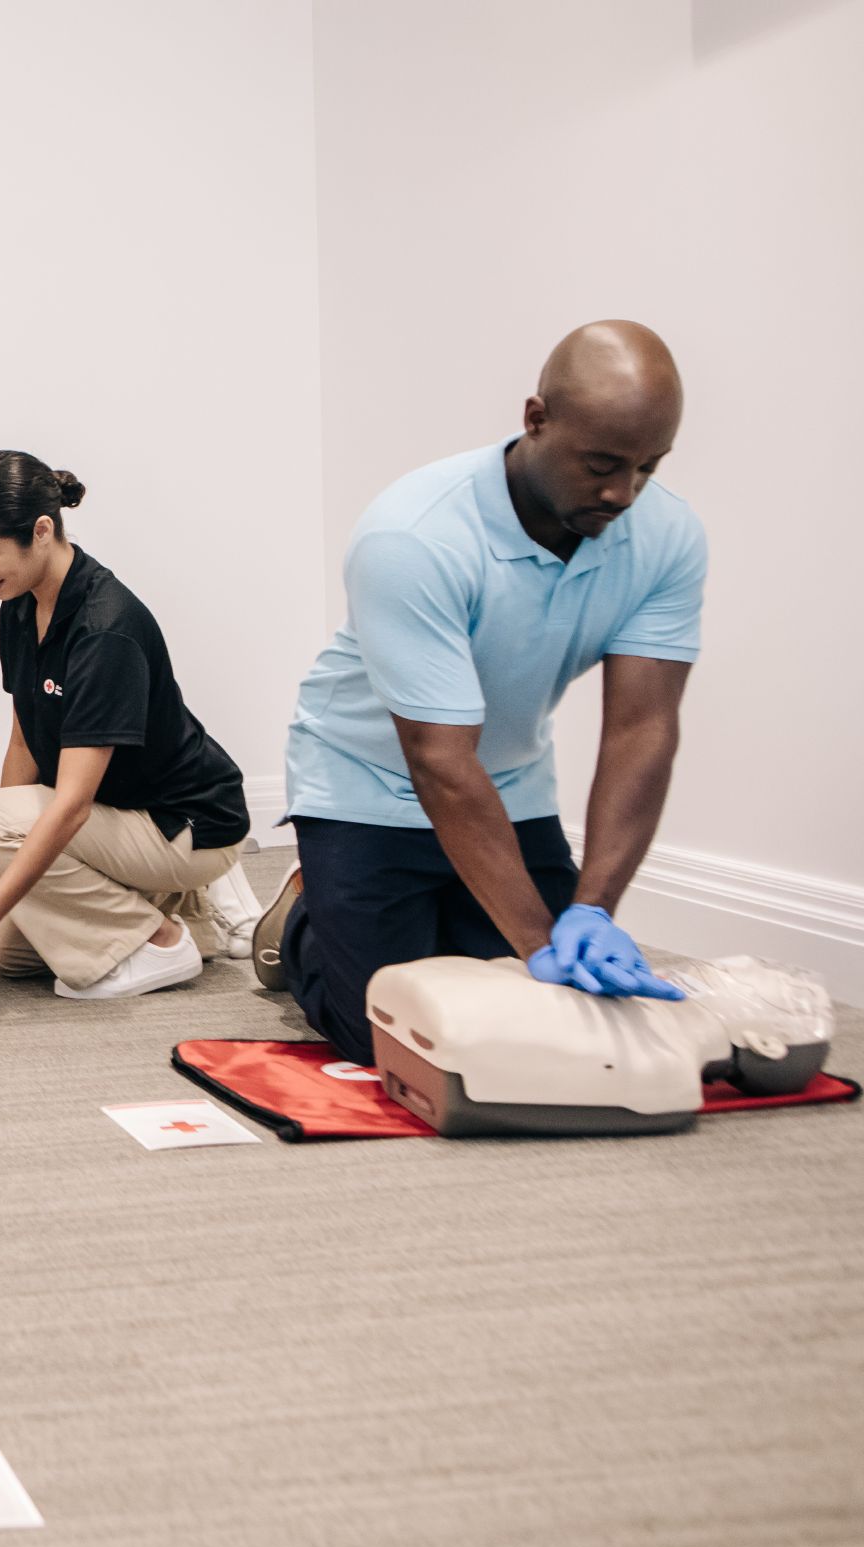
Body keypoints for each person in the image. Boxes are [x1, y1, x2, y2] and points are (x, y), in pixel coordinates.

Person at [263, 320, 699, 1064]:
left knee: (547, 1024)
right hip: (367, 783)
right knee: (391, 1038)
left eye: (648, 468)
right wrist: (538, 944)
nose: (623, 492)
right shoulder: (414, 535)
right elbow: (438, 758)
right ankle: (302, 918)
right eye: (601, 463)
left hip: (509, 786)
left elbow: (642, 729)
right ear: (535, 420)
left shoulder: (667, 537)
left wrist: (590, 912)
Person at [0, 452, 251, 999]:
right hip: (122, 815)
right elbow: (24, 742)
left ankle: (161, 938)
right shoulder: (19, 607)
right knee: (13, 954)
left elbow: (70, 804)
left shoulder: (104, 628)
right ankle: (199, 920)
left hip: (182, 824)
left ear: (41, 531)